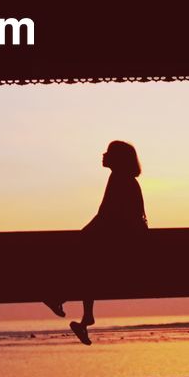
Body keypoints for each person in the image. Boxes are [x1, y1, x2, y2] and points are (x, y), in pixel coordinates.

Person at [44, 140, 149, 344]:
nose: (103, 155)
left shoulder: (119, 179)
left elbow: (107, 214)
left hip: (125, 251)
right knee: (88, 261)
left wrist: (86, 232)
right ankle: (81, 313)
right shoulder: (124, 179)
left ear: (117, 158)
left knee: (85, 259)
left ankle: (66, 301)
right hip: (130, 247)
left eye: (108, 152)